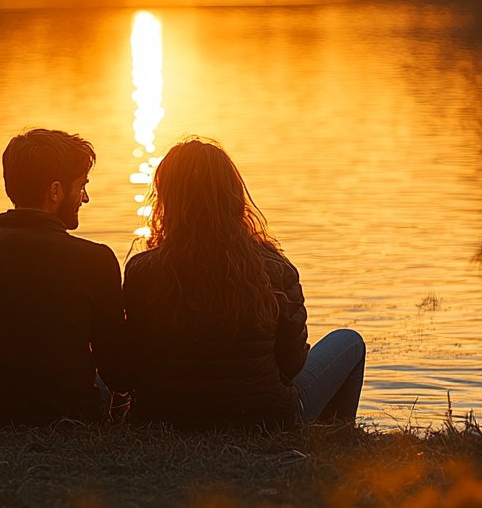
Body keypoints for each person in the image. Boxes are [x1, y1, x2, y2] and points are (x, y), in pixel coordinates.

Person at [122, 137, 364, 429]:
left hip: (164, 416)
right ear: (234, 197)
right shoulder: (274, 268)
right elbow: (292, 363)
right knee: (350, 341)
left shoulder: (142, 270)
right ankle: (334, 435)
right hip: (264, 419)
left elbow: (133, 361)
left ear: (166, 200)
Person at [0, 129, 128, 425]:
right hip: (71, 416)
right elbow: (116, 368)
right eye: (82, 186)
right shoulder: (95, 260)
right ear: (56, 191)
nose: (85, 198)